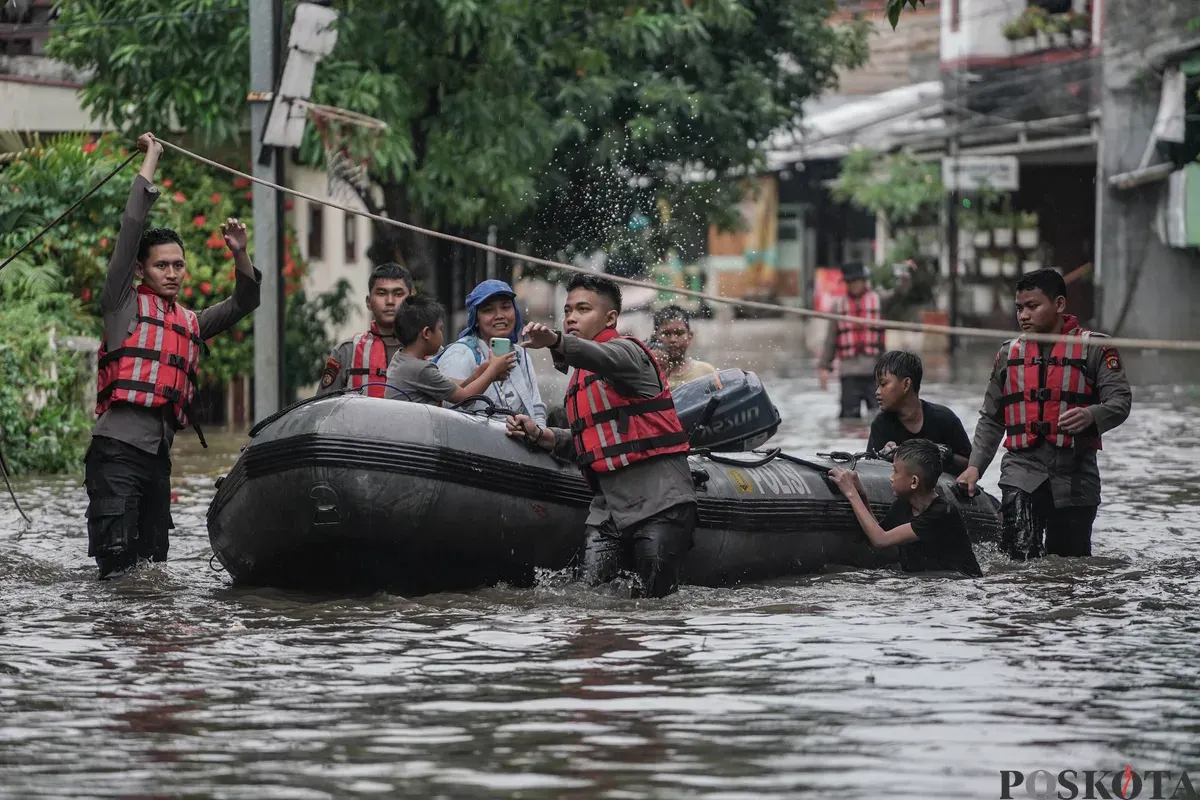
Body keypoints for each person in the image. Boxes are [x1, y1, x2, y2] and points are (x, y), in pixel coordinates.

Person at [85, 132, 261, 580]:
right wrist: (152, 160)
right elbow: (129, 231)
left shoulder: (191, 321)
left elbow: (244, 302)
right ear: (142, 270)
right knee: (118, 570)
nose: (172, 273)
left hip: (157, 460)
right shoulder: (120, 303)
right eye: (162, 265)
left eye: (178, 265)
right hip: (116, 454)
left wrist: (240, 255)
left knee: (152, 572)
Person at [505, 273, 697, 598]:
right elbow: (588, 443)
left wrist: (554, 340)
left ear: (610, 317)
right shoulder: (581, 375)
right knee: (587, 601)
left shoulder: (628, 354)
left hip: (659, 504)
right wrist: (540, 434)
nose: (571, 318)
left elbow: (600, 355)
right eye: (567, 311)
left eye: (582, 309)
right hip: (609, 512)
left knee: (657, 609)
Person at [956, 269, 1132, 560]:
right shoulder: (1008, 354)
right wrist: (975, 467)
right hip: (1022, 472)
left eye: (1032, 306)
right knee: (1019, 560)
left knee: (1069, 565)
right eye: (1019, 308)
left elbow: (1120, 402)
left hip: (1075, 474)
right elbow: (991, 417)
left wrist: (1092, 416)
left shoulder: (1095, 348)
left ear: (1059, 304)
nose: (1023, 315)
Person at [830, 439, 982, 577]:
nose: (891, 477)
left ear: (914, 481)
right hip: (928, 582)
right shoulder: (904, 504)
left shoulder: (941, 512)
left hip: (960, 583)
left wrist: (850, 493)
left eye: (895, 471)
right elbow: (877, 533)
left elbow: (881, 540)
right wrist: (861, 494)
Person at [434, 279, 546, 424]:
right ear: (476, 319)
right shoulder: (460, 354)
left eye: (506, 307)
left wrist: (538, 437)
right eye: (488, 310)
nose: (499, 315)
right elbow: (448, 412)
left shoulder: (520, 354)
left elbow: (536, 409)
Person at [384, 293, 516, 405]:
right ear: (426, 333)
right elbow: (465, 398)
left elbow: (450, 387)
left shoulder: (401, 358)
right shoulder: (420, 370)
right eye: (440, 329)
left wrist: (477, 375)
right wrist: (492, 371)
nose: (442, 334)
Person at [818, 260, 910, 418]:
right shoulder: (838, 306)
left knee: (880, 416)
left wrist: (904, 279)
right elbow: (831, 340)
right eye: (850, 282)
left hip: (875, 373)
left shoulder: (879, 299)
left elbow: (898, 294)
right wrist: (824, 367)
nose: (853, 285)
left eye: (856, 281)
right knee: (849, 417)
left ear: (864, 281)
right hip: (849, 373)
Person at [868, 350, 972, 475]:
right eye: (877, 386)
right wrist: (884, 458)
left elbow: (972, 467)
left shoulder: (944, 419)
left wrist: (938, 453)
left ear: (906, 384)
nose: (877, 392)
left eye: (883, 384)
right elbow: (869, 471)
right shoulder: (881, 424)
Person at [317, 262, 413, 397]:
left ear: (411, 301)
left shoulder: (431, 352)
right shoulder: (346, 352)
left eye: (398, 294)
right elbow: (324, 408)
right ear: (368, 302)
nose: (390, 301)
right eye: (381, 293)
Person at [652, 305, 717, 388]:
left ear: (689, 337)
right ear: (654, 338)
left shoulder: (706, 372)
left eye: (679, 333)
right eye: (666, 334)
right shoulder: (649, 377)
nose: (673, 339)